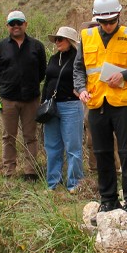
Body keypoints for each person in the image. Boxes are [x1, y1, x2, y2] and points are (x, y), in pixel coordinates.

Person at [73, 0, 127, 221]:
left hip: (123, 104)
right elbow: (79, 68)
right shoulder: (86, 36)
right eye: (103, 22)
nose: (108, 26)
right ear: (96, 19)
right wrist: (81, 88)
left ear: (119, 15)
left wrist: (124, 76)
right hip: (96, 103)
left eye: (112, 21)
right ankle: (108, 200)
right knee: (102, 154)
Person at [0, 9, 46, 179]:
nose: (16, 26)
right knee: (9, 136)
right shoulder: (0, 47)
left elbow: (42, 72)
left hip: (31, 99)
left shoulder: (37, 46)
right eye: (12, 23)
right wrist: (9, 84)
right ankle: (10, 172)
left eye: (19, 23)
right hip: (8, 99)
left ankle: (30, 171)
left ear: (25, 24)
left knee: (30, 136)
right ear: (7, 26)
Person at [42, 26, 84, 193]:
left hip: (71, 105)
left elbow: (83, 79)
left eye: (61, 39)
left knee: (73, 147)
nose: (57, 42)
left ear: (70, 41)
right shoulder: (53, 58)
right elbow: (47, 81)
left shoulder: (78, 59)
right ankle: (53, 183)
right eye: (56, 39)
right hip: (52, 107)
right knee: (52, 146)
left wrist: (80, 91)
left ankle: (74, 183)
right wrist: (43, 102)